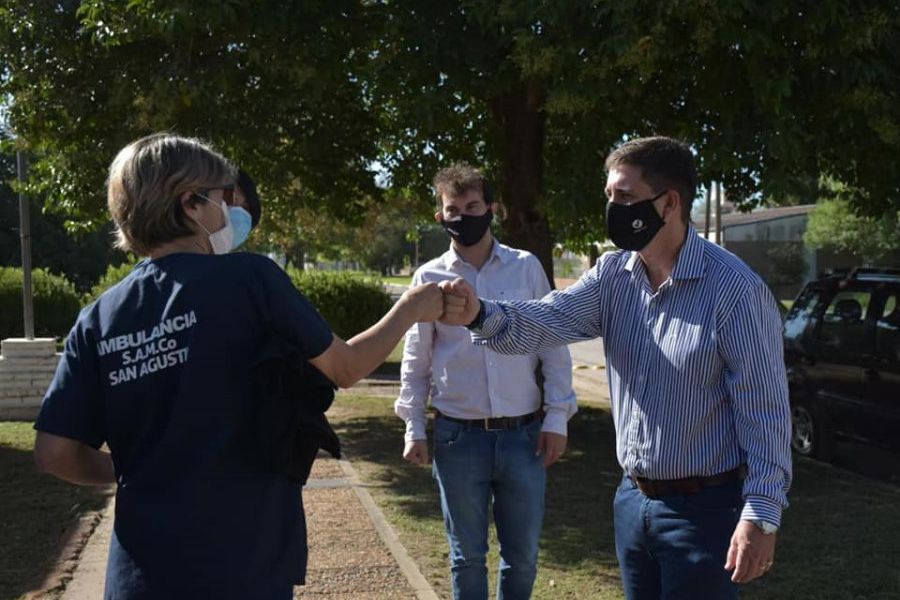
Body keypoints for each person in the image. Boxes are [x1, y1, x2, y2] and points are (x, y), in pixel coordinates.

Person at [32, 133, 444, 600]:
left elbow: (54, 453)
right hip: (243, 562)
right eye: (225, 196)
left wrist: (138, 467)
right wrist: (411, 308)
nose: (232, 208)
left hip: (140, 575)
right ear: (191, 204)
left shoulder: (99, 317)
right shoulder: (249, 278)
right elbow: (345, 368)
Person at [439, 137, 792, 599]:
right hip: (632, 501)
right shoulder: (614, 275)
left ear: (669, 203)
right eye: (609, 197)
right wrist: (480, 314)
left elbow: (763, 411)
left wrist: (760, 516)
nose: (612, 209)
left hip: (703, 511)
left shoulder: (735, 293)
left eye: (624, 197)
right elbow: (547, 319)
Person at [395, 163, 576, 600]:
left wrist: (557, 419)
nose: (463, 215)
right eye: (452, 208)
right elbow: (416, 359)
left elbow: (552, 343)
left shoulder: (526, 267)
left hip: (523, 437)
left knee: (523, 557)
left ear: (490, 208)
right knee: (466, 557)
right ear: (440, 216)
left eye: (472, 205)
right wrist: (413, 426)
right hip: (459, 438)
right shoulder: (428, 278)